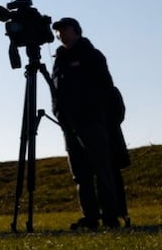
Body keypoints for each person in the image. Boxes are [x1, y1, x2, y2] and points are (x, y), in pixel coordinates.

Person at [50, 18, 123, 230]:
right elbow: (57, 92)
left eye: (64, 30)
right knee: (80, 173)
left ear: (76, 31)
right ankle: (90, 216)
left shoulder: (92, 55)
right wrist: (60, 114)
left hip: (92, 121)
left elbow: (105, 87)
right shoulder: (60, 59)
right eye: (58, 32)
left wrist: (94, 113)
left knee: (102, 170)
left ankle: (110, 215)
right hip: (69, 124)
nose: (60, 34)